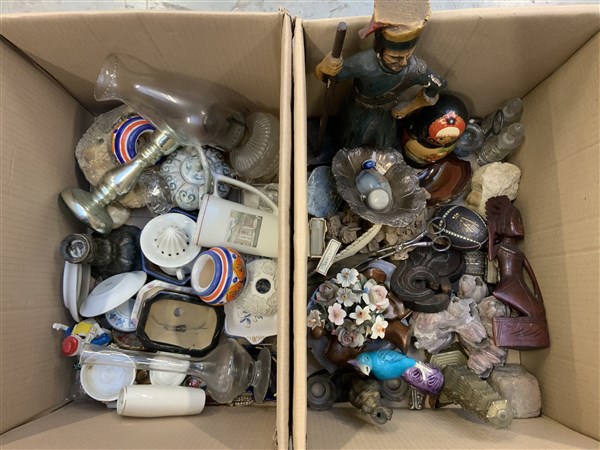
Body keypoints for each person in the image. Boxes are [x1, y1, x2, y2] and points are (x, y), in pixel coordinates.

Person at [315, 1, 446, 148]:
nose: (404, 63)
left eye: (408, 55)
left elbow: (439, 84)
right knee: (348, 141)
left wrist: (411, 106)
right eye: (395, 57)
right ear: (380, 50)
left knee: (383, 145)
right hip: (357, 109)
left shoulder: (415, 69)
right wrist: (324, 67)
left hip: (386, 114)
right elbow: (330, 80)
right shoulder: (363, 63)